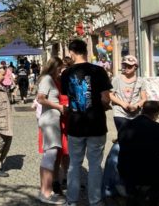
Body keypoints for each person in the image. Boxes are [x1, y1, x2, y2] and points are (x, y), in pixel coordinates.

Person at [61, 39, 112, 206]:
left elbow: (66, 99)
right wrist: (103, 106)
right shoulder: (98, 71)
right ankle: (95, 201)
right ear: (86, 51)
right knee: (95, 164)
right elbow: (106, 98)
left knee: (74, 164)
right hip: (96, 123)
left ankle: (72, 200)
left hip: (75, 124)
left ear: (72, 52)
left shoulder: (66, 73)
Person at [118, 101, 159, 205]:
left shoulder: (125, 125)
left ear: (142, 111)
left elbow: (122, 146)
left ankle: (132, 192)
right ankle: (153, 195)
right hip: (150, 173)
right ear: (156, 114)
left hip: (127, 170)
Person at [37, 57, 66, 205]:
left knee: (51, 154)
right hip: (49, 119)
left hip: (52, 119)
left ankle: (45, 190)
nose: (60, 71)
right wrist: (59, 107)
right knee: (51, 154)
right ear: (54, 67)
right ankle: (46, 193)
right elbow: (40, 98)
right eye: (59, 68)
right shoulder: (47, 79)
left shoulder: (51, 79)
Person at [109, 55, 147, 132]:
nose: (126, 68)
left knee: (134, 137)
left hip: (136, 114)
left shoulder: (141, 81)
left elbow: (144, 98)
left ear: (135, 67)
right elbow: (110, 95)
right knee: (124, 136)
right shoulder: (117, 79)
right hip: (119, 113)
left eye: (129, 66)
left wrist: (136, 106)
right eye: (124, 65)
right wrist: (123, 104)